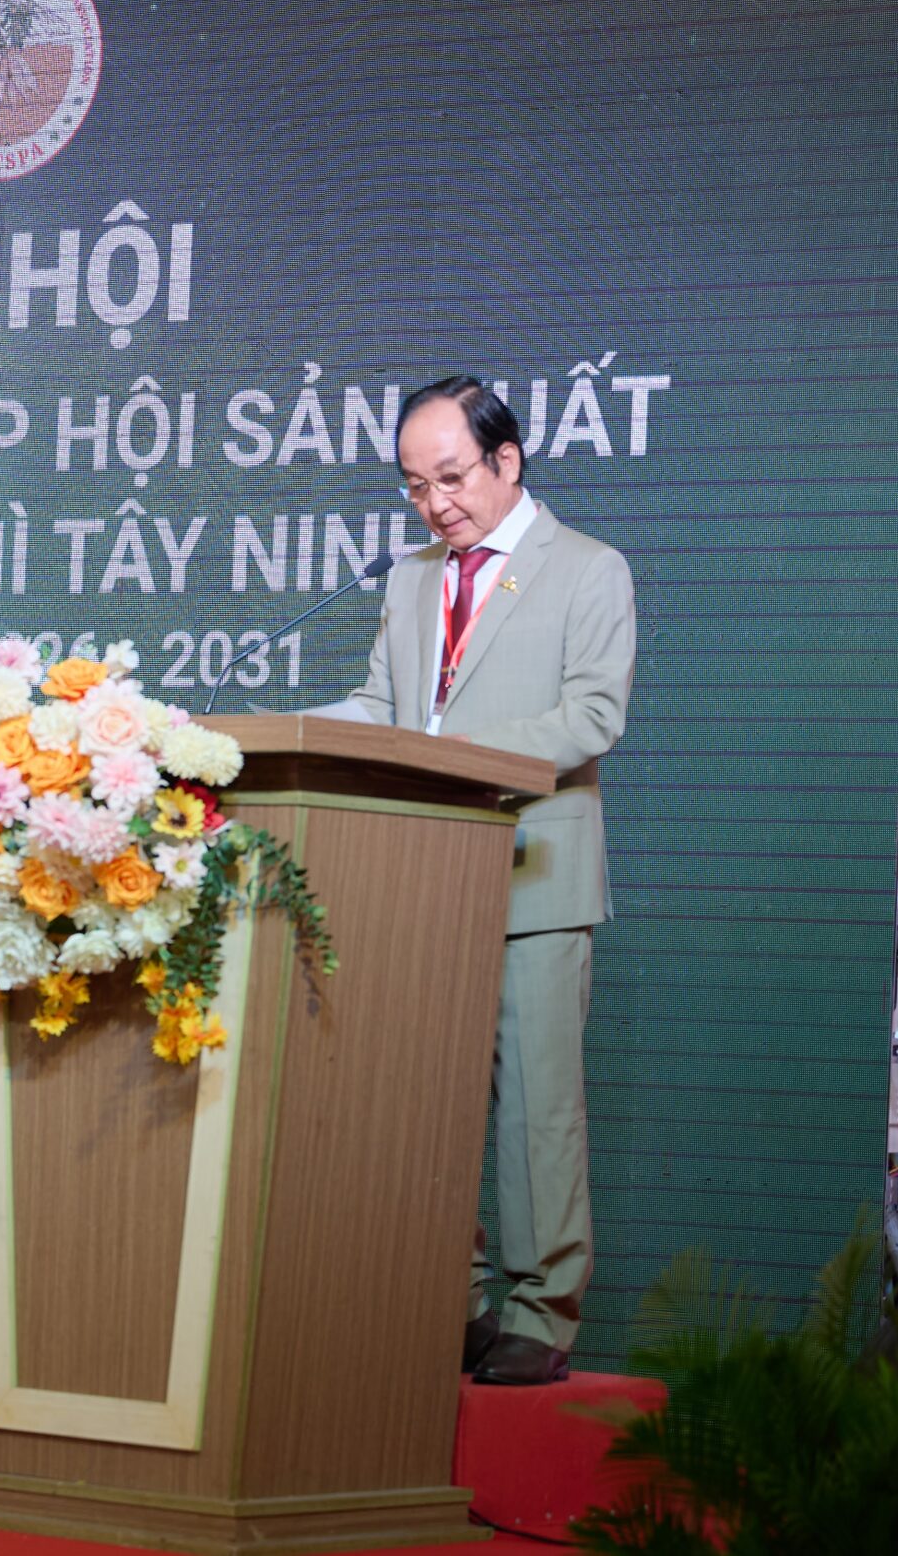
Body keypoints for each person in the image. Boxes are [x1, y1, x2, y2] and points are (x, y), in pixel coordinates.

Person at [338, 374, 635, 1386]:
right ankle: (454, 1298)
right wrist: (285, 727)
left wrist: (452, 751)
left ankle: (541, 1310)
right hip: (426, 872)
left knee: (536, 1105)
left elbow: (593, 716)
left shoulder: (588, 569)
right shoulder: (410, 578)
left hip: (535, 872)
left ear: (507, 460)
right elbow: (383, 704)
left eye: (452, 477)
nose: (435, 503)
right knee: (431, 1100)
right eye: (416, 485)